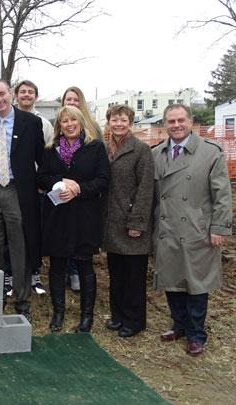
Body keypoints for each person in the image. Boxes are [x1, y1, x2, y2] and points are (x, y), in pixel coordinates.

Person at [152, 104, 232, 356]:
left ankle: (197, 334)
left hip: (197, 229)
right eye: (171, 121)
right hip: (166, 228)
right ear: (164, 124)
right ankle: (179, 325)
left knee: (196, 283)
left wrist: (219, 226)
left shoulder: (210, 153)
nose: (176, 125)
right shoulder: (156, 153)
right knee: (172, 280)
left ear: (191, 121)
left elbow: (222, 194)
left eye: (180, 120)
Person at [0, 78, 44, 322]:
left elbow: (41, 159)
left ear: (11, 93)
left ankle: (22, 301)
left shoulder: (31, 123)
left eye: (2, 93)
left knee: (20, 246)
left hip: (18, 191)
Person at [36, 106, 110, 333]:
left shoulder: (95, 147)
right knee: (57, 266)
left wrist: (79, 189)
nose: (69, 124)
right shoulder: (50, 149)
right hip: (57, 216)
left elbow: (104, 180)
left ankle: (86, 317)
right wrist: (61, 182)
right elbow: (41, 178)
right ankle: (58, 314)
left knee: (84, 265)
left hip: (85, 217)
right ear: (59, 125)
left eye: (73, 120)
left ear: (80, 122)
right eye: (64, 121)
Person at [102, 105, 154, 338]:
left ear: (130, 123)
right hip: (112, 223)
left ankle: (134, 320)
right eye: (114, 120)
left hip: (131, 222)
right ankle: (118, 316)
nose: (119, 124)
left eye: (123, 120)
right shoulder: (105, 149)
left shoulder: (141, 150)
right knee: (117, 273)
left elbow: (145, 189)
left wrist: (137, 222)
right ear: (109, 122)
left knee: (134, 276)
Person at [60, 86, 103, 292]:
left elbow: (101, 170)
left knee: (82, 240)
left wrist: (81, 188)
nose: (72, 102)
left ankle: (78, 272)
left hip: (85, 195)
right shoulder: (56, 136)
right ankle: (69, 271)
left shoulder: (93, 129)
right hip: (62, 196)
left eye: (76, 99)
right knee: (64, 236)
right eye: (68, 99)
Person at [14, 79, 54, 294]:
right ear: (16, 95)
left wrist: (42, 183)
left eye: (31, 92)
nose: (26, 95)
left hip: (36, 188)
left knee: (34, 231)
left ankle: (35, 274)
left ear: (36, 96)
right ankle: (13, 274)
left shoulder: (44, 123)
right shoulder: (8, 119)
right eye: (23, 92)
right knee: (13, 231)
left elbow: (47, 157)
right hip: (13, 187)